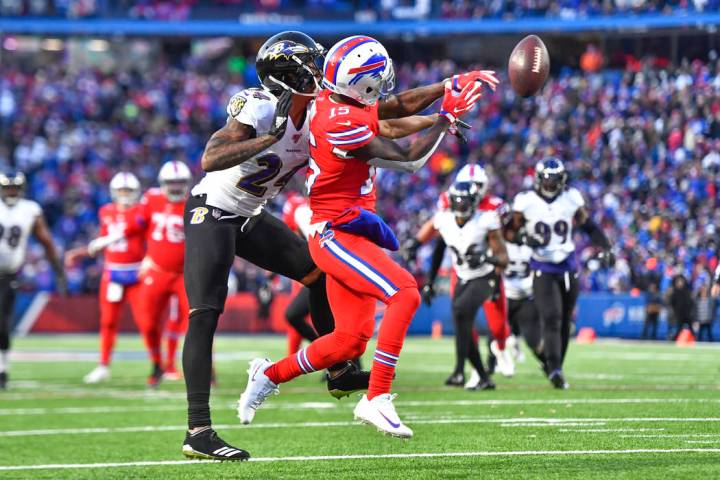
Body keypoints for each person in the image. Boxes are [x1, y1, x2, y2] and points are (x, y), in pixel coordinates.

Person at [181, 31, 463, 459]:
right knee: (205, 312)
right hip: (213, 209)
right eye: (311, 66)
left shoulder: (318, 111)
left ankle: (339, 369)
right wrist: (269, 138)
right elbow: (211, 158)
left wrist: (441, 103)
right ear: (288, 76)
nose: (320, 72)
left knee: (316, 272)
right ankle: (198, 430)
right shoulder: (256, 106)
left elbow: (385, 112)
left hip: (252, 215)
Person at [237, 35, 495, 439]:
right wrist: (444, 119)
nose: (384, 80)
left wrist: (447, 86)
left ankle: (268, 374)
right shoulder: (339, 123)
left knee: (348, 341)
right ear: (362, 84)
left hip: (347, 227)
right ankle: (376, 398)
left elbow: (393, 111)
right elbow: (410, 159)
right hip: (335, 233)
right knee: (405, 292)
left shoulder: (339, 100)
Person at [510, 158, 613, 389]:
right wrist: (525, 238)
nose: (551, 183)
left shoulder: (571, 198)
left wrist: (605, 246)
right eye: (547, 178)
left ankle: (557, 367)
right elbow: (509, 233)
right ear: (538, 178)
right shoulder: (525, 201)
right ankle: (554, 367)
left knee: (565, 320)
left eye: (555, 179)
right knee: (552, 317)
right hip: (541, 267)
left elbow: (588, 226)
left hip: (567, 266)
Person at [404, 164, 514, 377]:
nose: (468, 193)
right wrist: (417, 244)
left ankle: (498, 350)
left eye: (477, 185)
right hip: (461, 269)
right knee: (462, 318)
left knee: (498, 325)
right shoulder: (447, 208)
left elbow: (502, 246)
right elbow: (437, 230)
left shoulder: (492, 210)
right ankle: (472, 370)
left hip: (488, 271)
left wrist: (494, 267)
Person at [420, 181, 508, 391]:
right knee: (462, 322)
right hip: (462, 277)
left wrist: (486, 257)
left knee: (460, 312)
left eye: (465, 201)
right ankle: (483, 377)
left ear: (475, 201)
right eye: (457, 201)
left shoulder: (485, 220)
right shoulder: (444, 220)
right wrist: (429, 281)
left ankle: (459, 371)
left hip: (485, 277)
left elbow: (503, 258)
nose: (461, 205)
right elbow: (437, 249)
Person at [66, 172, 147, 385]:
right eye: (121, 190)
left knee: (146, 322)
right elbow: (103, 243)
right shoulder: (106, 211)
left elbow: (125, 233)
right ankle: (103, 365)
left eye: (128, 191)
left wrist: (93, 246)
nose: (124, 194)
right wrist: (85, 251)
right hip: (112, 273)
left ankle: (161, 365)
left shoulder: (141, 211)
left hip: (137, 272)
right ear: (113, 192)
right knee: (108, 321)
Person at [0, 171, 65, 390]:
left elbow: (46, 241)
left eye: (14, 188)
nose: (11, 192)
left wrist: (58, 271)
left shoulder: (29, 210)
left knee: (3, 325)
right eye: (7, 188)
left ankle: (2, 369)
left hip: (8, 275)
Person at [134, 161, 193, 385]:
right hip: (157, 271)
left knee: (195, 322)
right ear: (163, 183)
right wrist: (144, 257)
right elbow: (136, 229)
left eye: (180, 183)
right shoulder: (150, 199)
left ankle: (206, 369)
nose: (176, 187)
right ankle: (157, 363)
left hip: (185, 274)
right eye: (172, 183)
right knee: (148, 323)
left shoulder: (194, 202)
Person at [668, 274, 695, 340]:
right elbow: (671, 303)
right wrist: (675, 312)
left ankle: (694, 339)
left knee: (690, 328)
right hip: (679, 314)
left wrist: (690, 313)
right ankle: (674, 339)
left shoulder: (687, 292)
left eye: (681, 281)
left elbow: (691, 303)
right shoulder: (674, 292)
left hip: (687, 314)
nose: (680, 283)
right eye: (678, 282)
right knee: (679, 328)